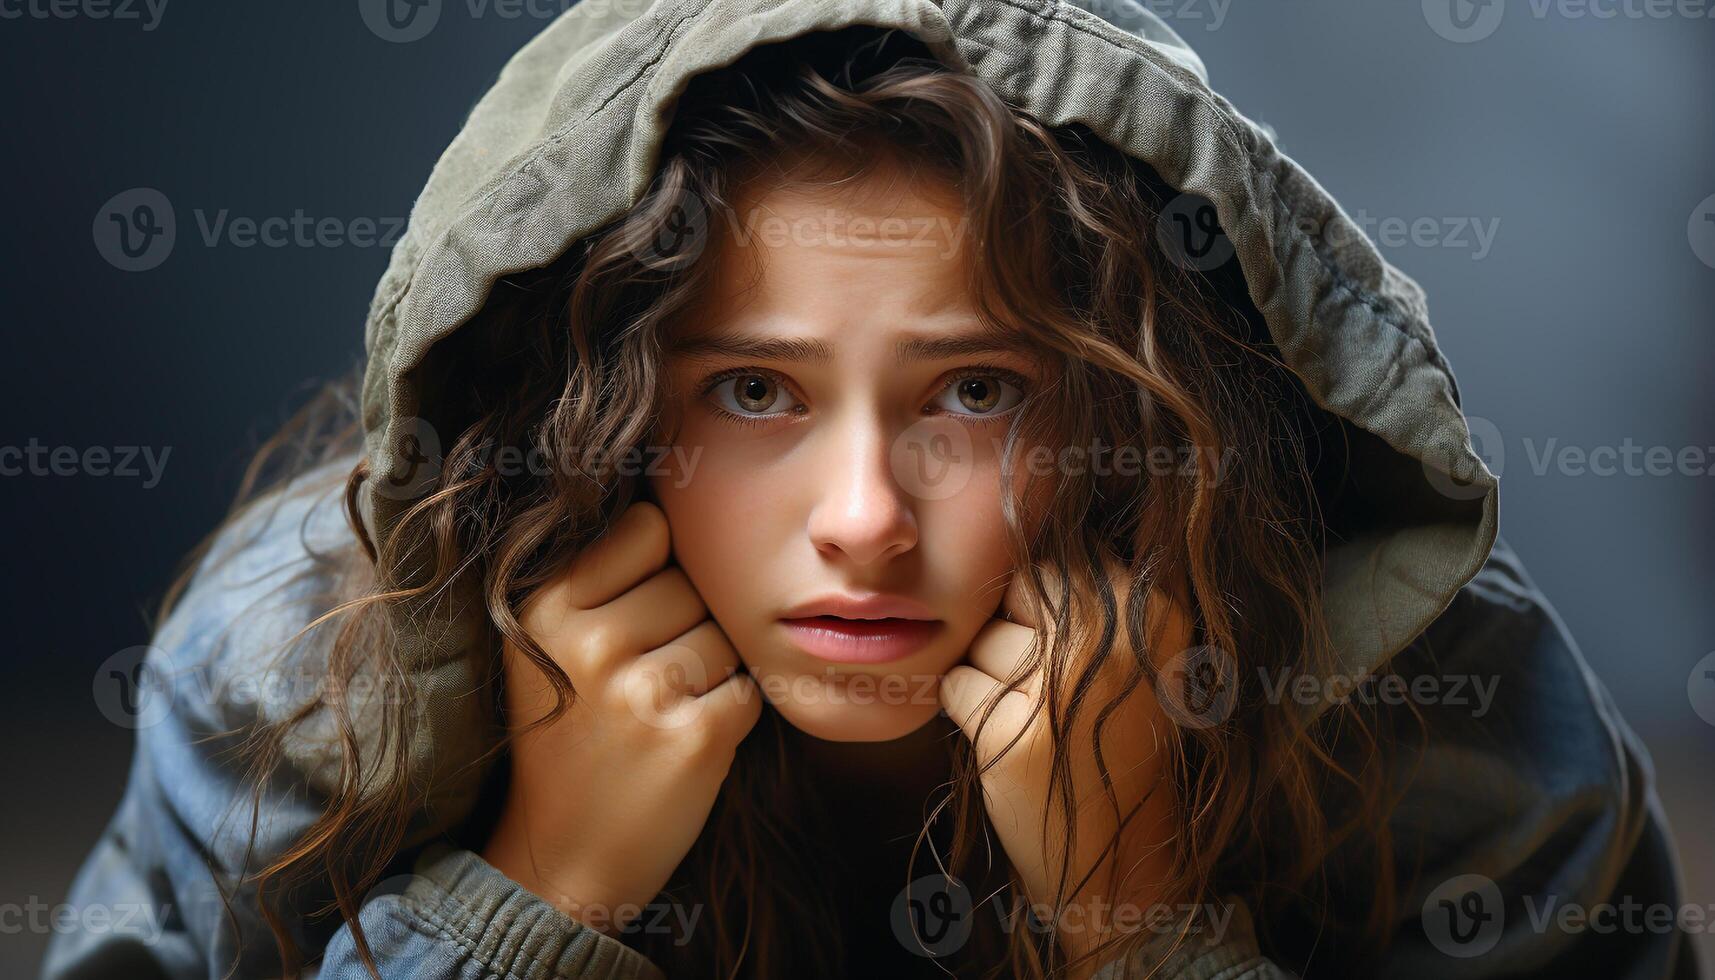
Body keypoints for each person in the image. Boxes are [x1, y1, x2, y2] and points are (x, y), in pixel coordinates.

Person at [42, 3, 1695, 978]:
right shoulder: (305, 664)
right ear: (590, 411)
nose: (863, 519)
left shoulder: (1445, 715)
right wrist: (528, 906)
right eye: (752, 390)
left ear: (1150, 414)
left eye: (976, 390)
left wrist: (1141, 926)